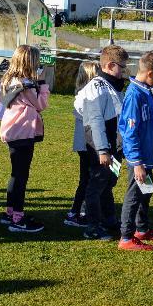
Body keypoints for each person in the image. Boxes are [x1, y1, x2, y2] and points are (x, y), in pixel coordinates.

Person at [117, 51, 153, 251]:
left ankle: (142, 229)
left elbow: (152, 113)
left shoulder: (147, 90)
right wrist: (137, 162)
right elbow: (129, 132)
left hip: (147, 155)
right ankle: (125, 237)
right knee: (134, 194)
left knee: (146, 191)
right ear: (150, 73)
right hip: (138, 157)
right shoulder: (134, 95)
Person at [75, 45, 128, 241]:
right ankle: (92, 226)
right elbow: (95, 121)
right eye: (122, 67)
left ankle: (109, 219)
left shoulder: (111, 86)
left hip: (113, 147)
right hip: (101, 148)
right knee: (96, 185)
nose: (123, 71)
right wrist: (103, 150)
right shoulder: (95, 88)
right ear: (111, 65)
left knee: (108, 183)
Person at [0, 45, 50, 233]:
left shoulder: (10, 79)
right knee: (21, 175)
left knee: (16, 173)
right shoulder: (26, 83)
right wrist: (42, 82)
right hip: (23, 130)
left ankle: (10, 212)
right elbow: (41, 104)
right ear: (31, 62)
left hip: (13, 129)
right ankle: (18, 218)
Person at [64, 61, 98, 227]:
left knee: (88, 178)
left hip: (86, 143)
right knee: (86, 179)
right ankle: (76, 211)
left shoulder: (82, 93)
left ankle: (81, 210)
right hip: (87, 144)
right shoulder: (85, 95)